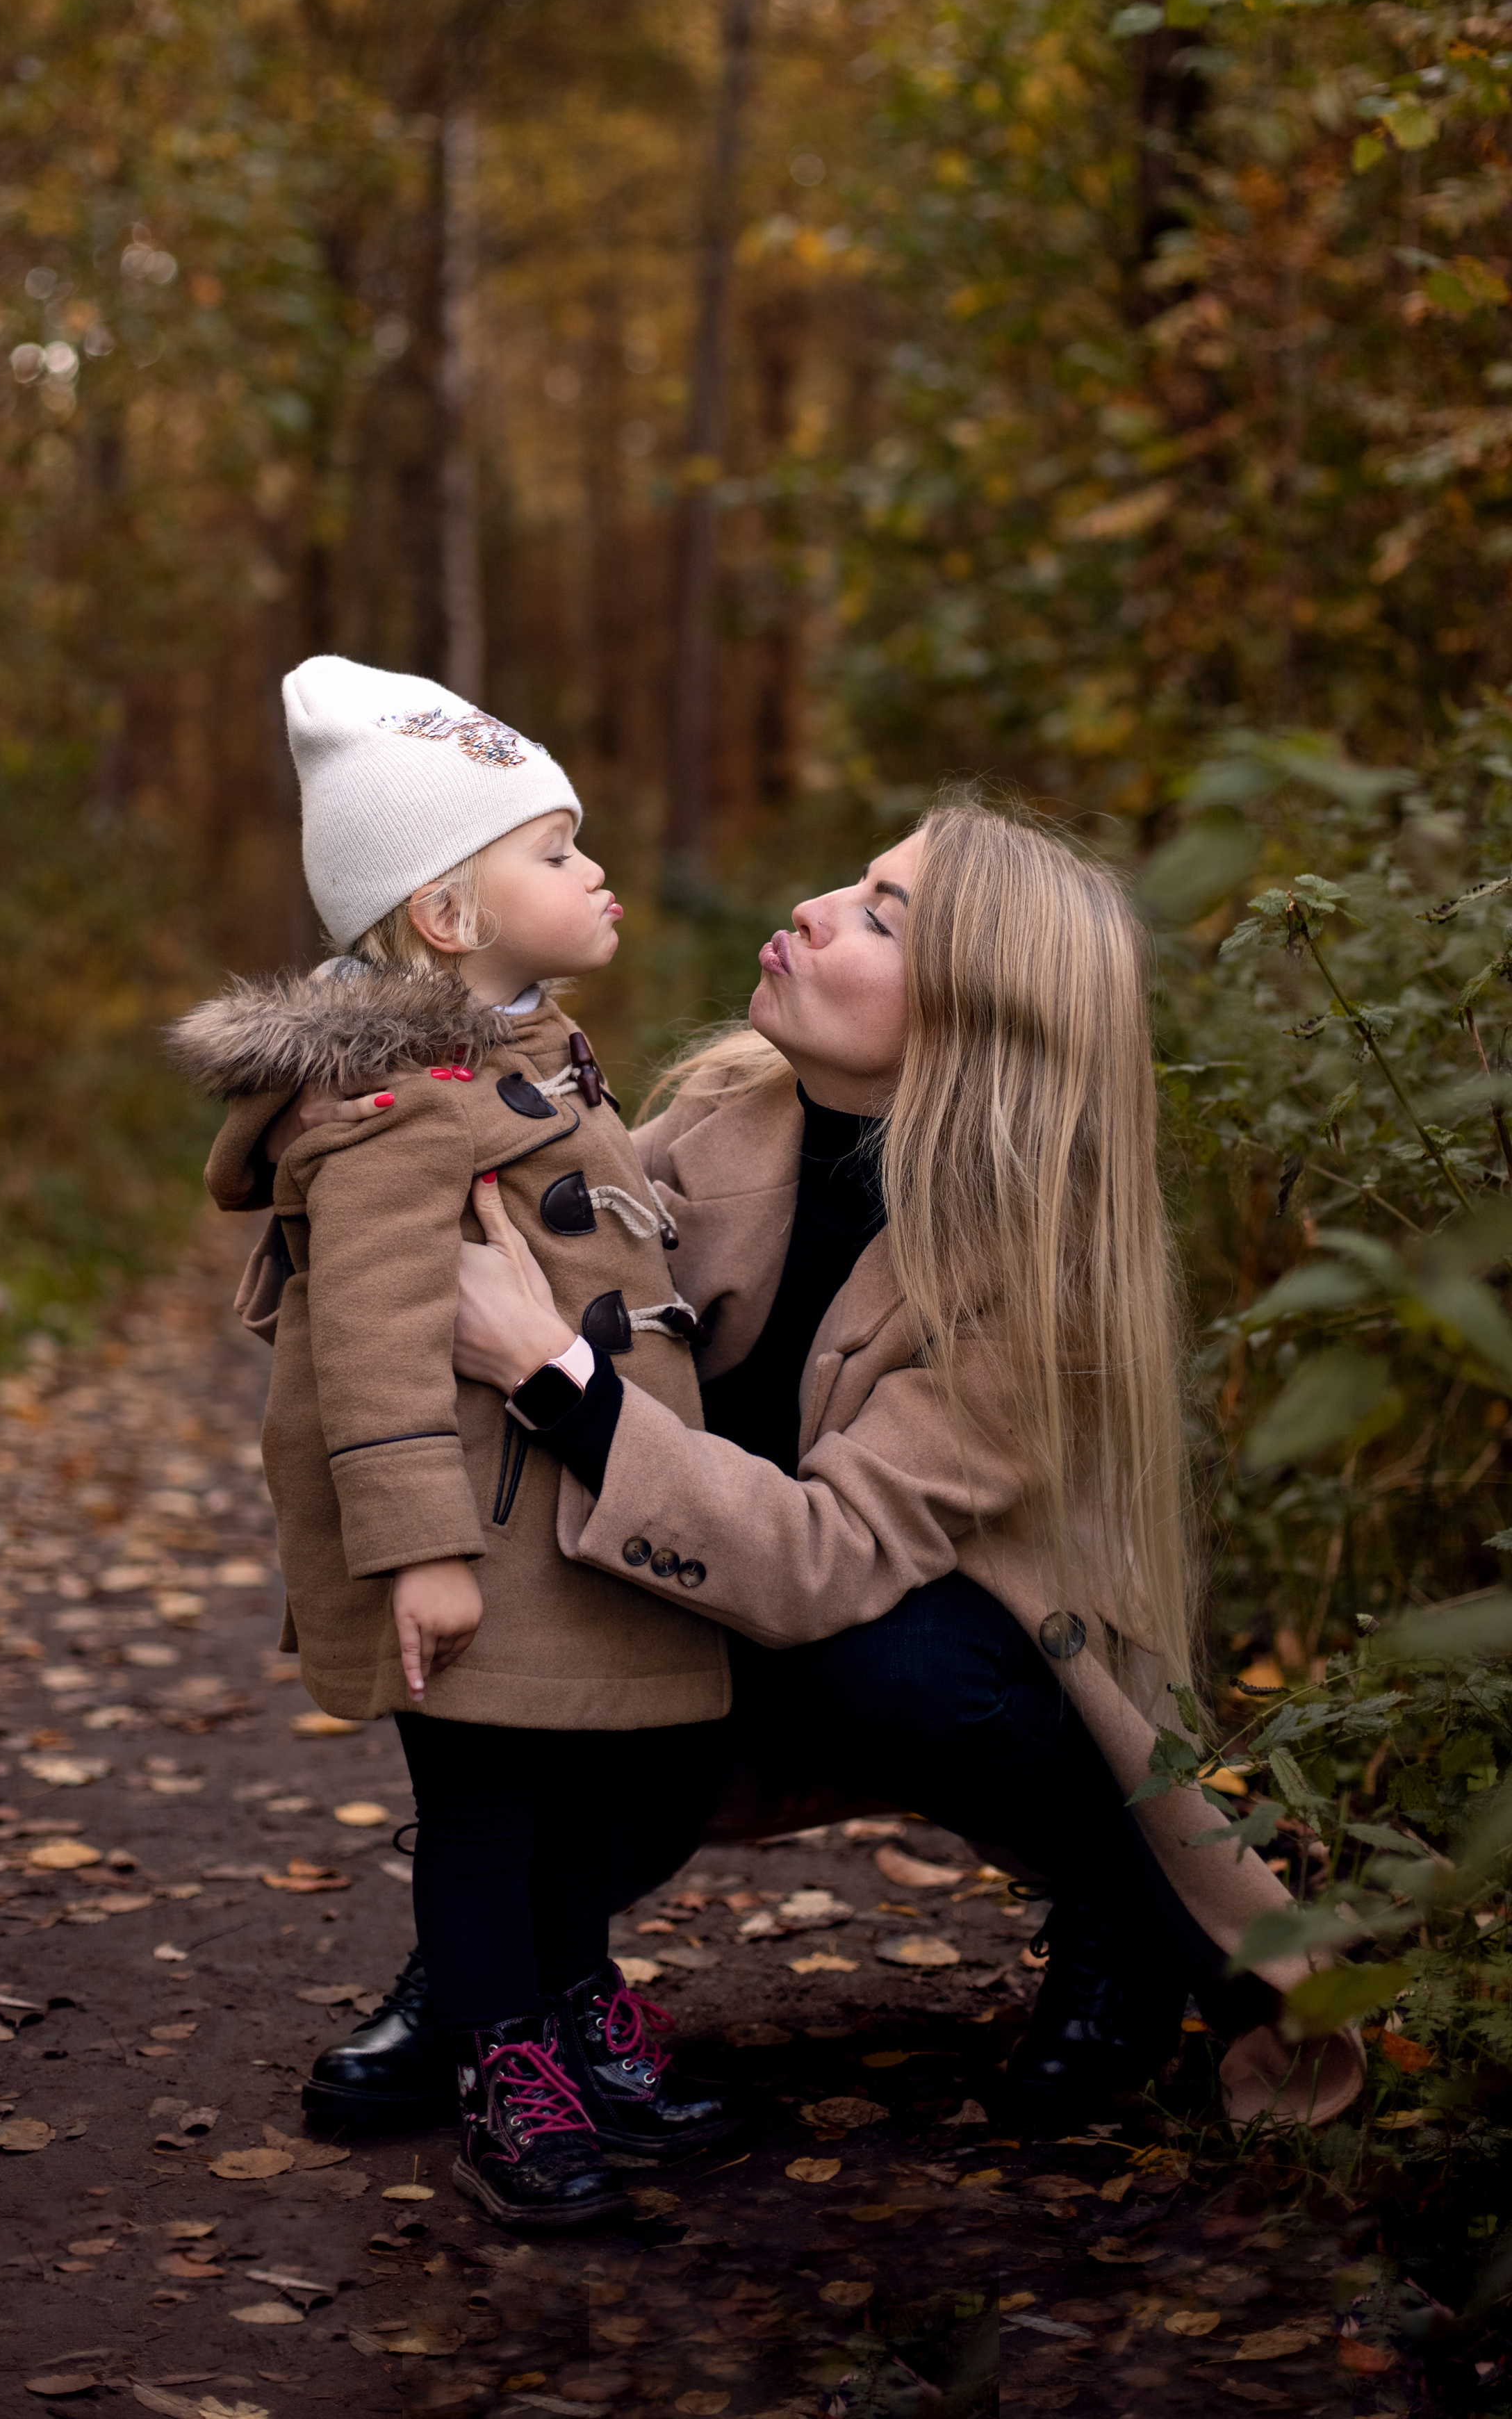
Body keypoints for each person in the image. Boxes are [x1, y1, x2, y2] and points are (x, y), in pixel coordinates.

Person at [308, 796, 1365, 2134]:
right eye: (850, 882)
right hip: (703, 1605)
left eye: (880, 914)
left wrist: (551, 1372)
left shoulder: (1040, 1278)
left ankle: (1116, 1914)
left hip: (906, 1650)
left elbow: (827, 1559)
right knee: (557, 1603)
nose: (814, 907)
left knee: (899, 1663)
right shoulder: (715, 1120)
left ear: (981, 1017)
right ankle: (491, 1979)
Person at [169, 655, 731, 2231]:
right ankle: (504, 2068)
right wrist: (417, 1549)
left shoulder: (528, 1045)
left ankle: (570, 2007)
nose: (594, 870)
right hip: (474, 1541)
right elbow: (365, 1334)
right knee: (487, 1815)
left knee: (585, 1805)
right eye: (554, 853)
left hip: (557, 1514)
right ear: (446, 917)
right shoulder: (400, 1095)